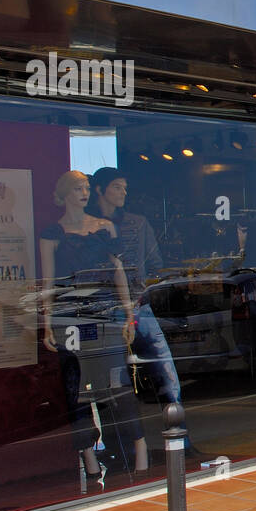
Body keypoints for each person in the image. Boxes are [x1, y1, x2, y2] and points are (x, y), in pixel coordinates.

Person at [39, 170, 147, 485]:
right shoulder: (52, 233)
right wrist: (46, 323)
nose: (84, 192)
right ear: (65, 194)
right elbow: (47, 282)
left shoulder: (104, 228)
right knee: (77, 391)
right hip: (70, 318)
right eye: (77, 188)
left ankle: (139, 448)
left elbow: (119, 273)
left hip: (105, 316)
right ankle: (88, 455)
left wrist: (128, 314)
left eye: (86, 187)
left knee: (119, 386)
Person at [88, 168, 182, 408]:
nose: (123, 192)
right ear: (100, 189)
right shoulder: (87, 226)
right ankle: (122, 439)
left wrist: (141, 290)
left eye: (125, 187)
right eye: (117, 186)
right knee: (114, 378)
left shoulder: (138, 223)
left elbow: (156, 264)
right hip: (107, 310)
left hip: (138, 306)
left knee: (165, 369)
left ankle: (179, 435)